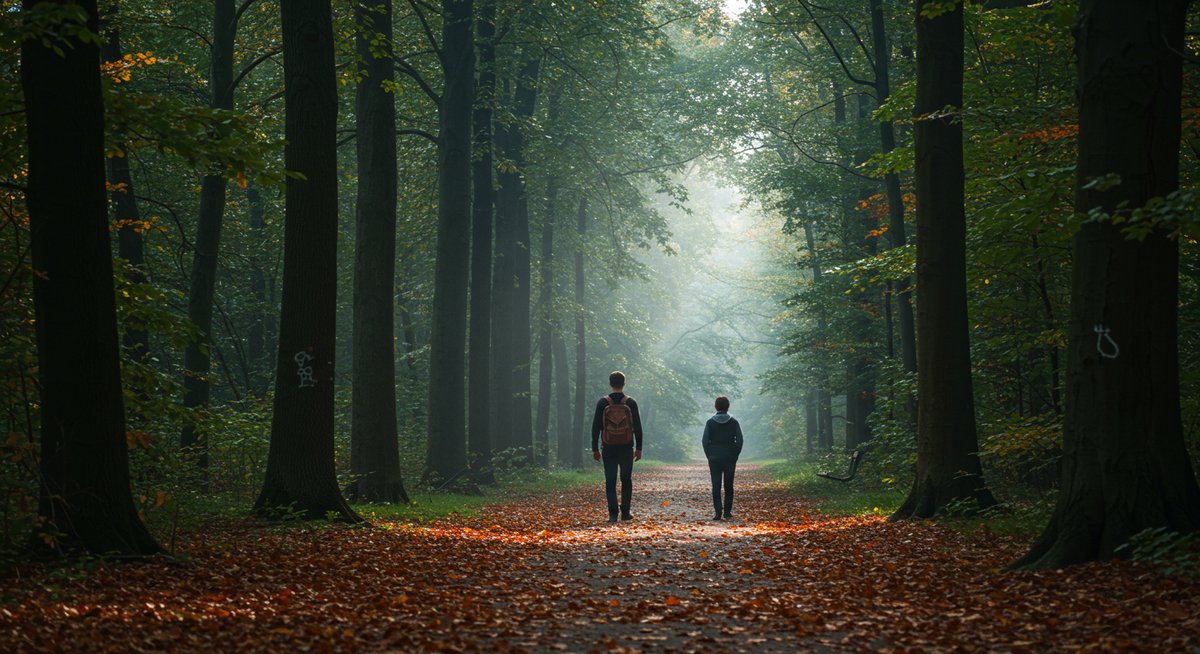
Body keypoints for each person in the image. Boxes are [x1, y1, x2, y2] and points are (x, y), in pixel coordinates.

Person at [591, 370, 644, 523]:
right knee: (626, 479)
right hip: (626, 447)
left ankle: (613, 514)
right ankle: (625, 512)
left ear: (610, 383)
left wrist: (595, 449)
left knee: (610, 480)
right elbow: (637, 427)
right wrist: (639, 448)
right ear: (624, 383)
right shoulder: (630, 402)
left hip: (608, 447)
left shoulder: (603, 403)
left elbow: (596, 427)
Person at [702, 395, 743, 521]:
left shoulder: (710, 422)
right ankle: (727, 513)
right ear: (728, 406)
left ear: (716, 406)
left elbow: (705, 441)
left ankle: (718, 512)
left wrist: (709, 455)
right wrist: (735, 454)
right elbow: (740, 440)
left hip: (714, 457)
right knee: (729, 485)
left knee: (716, 485)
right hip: (730, 457)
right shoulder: (734, 422)